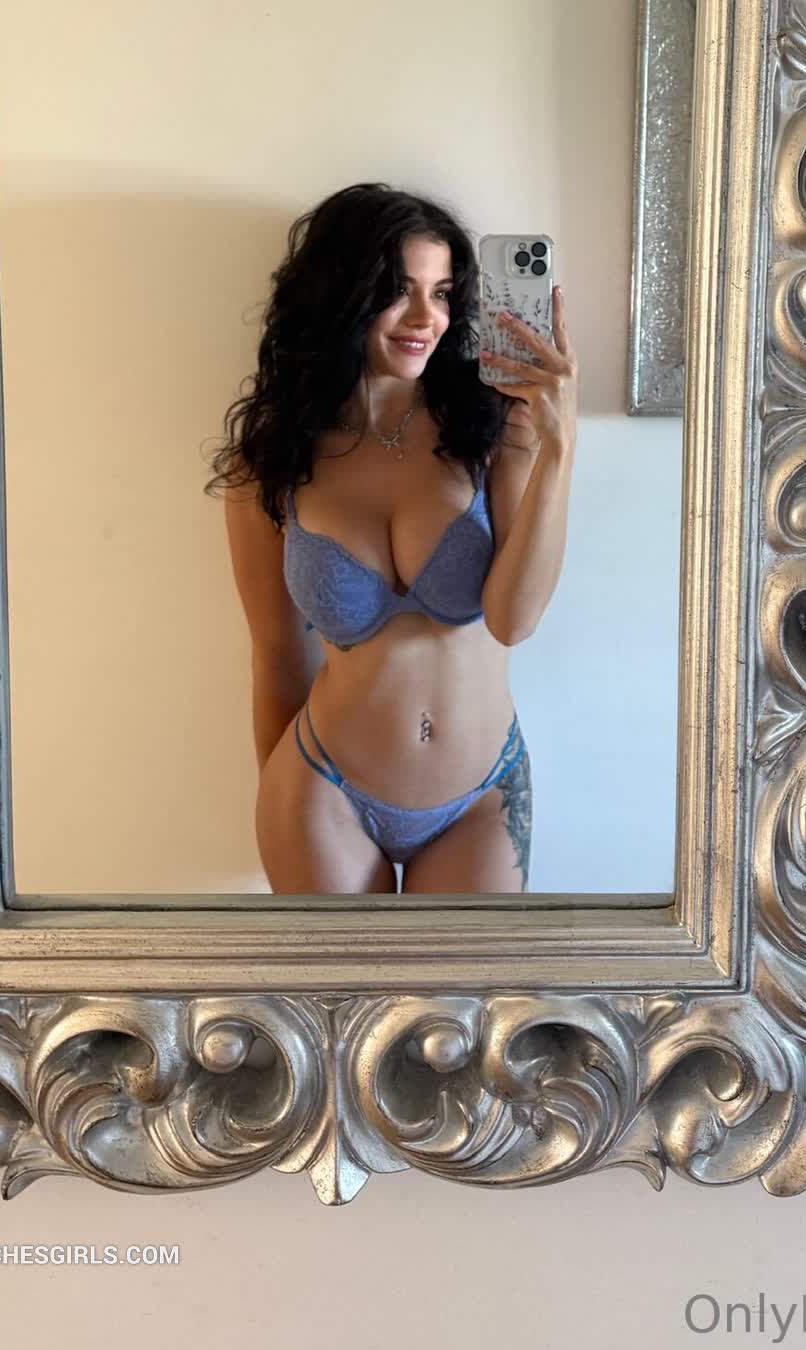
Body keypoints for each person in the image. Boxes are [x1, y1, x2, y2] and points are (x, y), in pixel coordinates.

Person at [207, 183, 577, 894]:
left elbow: (514, 620)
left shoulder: (495, 429)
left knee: (465, 977)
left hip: (483, 796)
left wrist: (559, 446)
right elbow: (276, 659)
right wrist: (276, 804)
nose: (424, 318)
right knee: (340, 977)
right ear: (341, 294)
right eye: (399, 291)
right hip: (324, 793)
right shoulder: (271, 465)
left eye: (442, 294)